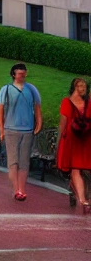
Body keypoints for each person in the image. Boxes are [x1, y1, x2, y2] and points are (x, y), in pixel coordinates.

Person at [0, 63, 44, 201]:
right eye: (20, 74)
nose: (22, 76)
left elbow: (37, 107)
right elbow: (0, 109)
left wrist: (39, 123)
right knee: (13, 161)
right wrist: (1, 129)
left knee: (24, 162)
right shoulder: (5, 90)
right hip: (11, 129)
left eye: (24, 74)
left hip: (27, 130)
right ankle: (15, 188)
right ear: (13, 75)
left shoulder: (32, 89)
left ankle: (21, 189)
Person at [59, 77, 91, 213]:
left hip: (79, 139)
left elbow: (63, 123)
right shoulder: (87, 103)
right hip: (81, 139)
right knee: (77, 169)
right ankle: (83, 199)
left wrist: (60, 139)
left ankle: (80, 194)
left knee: (77, 169)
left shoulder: (68, 102)